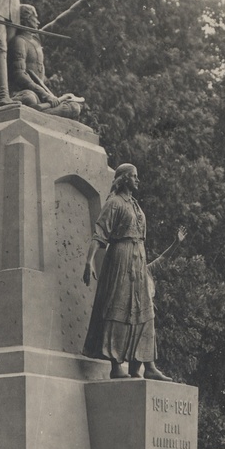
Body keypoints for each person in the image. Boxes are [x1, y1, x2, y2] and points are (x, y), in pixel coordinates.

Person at [82, 163, 185, 381]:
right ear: (124, 178)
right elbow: (100, 233)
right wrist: (89, 261)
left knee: (146, 311)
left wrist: (176, 244)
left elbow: (158, 258)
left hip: (139, 258)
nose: (138, 180)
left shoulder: (136, 205)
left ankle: (148, 365)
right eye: (134, 176)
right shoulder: (114, 203)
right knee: (117, 308)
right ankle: (116, 366)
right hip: (120, 258)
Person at [8, 0, 108, 117]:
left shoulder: (37, 38)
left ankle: (39, 112)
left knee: (74, 108)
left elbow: (59, 22)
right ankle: (39, 112)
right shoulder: (19, 41)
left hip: (43, 97)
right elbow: (19, 74)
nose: (38, 21)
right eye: (35, 17)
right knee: (30, 98)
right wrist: (45, 95)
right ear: (26, 18)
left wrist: (83, 2)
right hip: (25, 93)